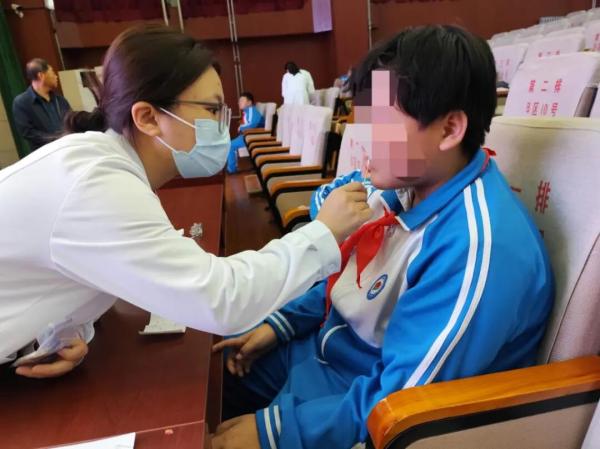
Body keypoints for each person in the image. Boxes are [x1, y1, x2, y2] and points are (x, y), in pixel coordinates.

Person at [211, 25, 554, 449]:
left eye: (383, 123)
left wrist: (275, 433)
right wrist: (281, 325)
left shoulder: (476, 247)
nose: (362, 138)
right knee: (210, 374)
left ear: (449, 130)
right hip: (322, 353)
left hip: (357, 402)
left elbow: (402, 403)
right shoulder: (402, 187)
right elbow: (347, 280)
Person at [0, 25, 373, 378]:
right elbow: (222, 299)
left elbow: (47, 273)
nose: (222, 125)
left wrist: (59, 335)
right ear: (148, 117)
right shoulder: (96, 184)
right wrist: (323, 232)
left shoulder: (100, 164)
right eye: (211, 110)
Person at [12, 58, 71, 152]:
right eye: (52, 73)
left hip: (67, 149)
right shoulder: (21, 102)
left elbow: (71, 122)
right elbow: (28, 132)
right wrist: (55, 139)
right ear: (41, 75)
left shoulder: (61, 100)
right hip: (45, 154)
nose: (56, 76)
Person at [227, 92, 265, 174]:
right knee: (230, 144)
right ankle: (232, 167)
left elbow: (253, 124)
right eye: (239, 101)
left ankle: (232, 169)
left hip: (253, 136)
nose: (239, 102)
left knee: (229, 145)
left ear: (249, 102)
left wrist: (241, 127)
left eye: (242, 100)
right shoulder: (247, 111)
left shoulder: (251, 110)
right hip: (249, 134)